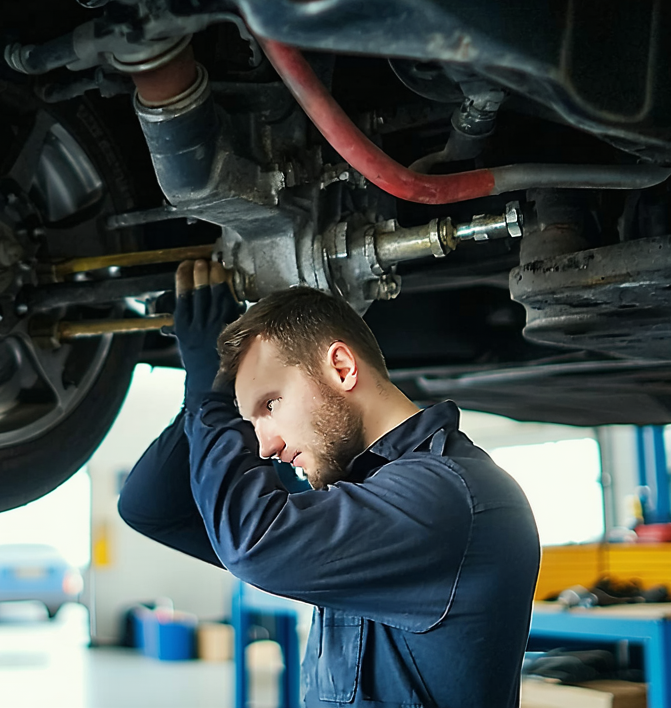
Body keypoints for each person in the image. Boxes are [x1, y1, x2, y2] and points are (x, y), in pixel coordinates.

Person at [118, 259, 540, 708]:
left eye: (271, 403)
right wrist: (207, 392)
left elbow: (253, 541)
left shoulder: (448, 493)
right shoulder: (364, 494)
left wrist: (209, 393)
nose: (263, 446)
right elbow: (151, 507)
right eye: (250, 420)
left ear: (340, 367)